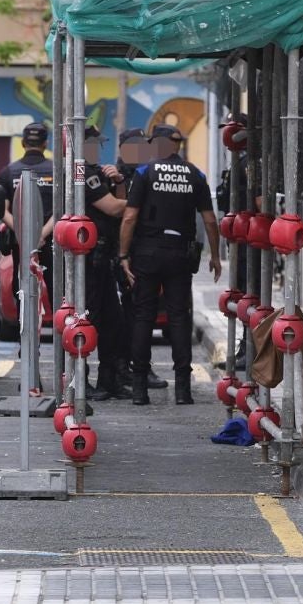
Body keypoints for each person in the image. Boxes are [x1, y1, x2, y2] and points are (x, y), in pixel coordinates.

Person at [120, 123, 221, 406]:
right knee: (179, 318)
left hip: (147, 253)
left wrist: (123, 255)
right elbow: (210, 220)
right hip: (180, 254)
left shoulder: (144, 172)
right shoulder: (196, 174)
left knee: (143, 316)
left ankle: (139, 389)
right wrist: (214, 255)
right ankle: (182, 390)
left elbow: (129, 217)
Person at [79, 126, 128, 399]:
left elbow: (117, 206)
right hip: (88, 262)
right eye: (94, 144)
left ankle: (109, 381)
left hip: (103, 259)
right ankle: (81, 381)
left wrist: (119, 182)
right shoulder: (83, 174)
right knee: (88, 322)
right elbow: (113, 208)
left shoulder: (98, 173)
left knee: (113, 323)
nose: (98, 149)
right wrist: (142, 199)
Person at [113, 129, 163, 392]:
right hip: (122, 253)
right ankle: (123, 367)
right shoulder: (115, 175)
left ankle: (138, 366)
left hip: (144, 250)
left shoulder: (150, 173)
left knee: (141, 312)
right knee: (125, 315)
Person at [0, 120, 56, 339]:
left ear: (23, 143)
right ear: (45, 143)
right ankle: (62, 347)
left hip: (21, 244)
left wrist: (25, 234)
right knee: (55, 290)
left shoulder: (8, 172)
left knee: (22, 290)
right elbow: (62, 210)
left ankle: (27, 343)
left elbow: (3, 211)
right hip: (50, 242)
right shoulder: (56, 170)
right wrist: (42, 234)